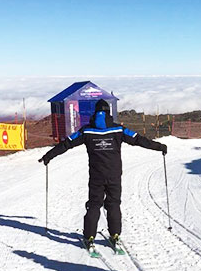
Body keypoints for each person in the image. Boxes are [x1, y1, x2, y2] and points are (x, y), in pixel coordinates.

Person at [39, 99, 167, 252]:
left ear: (95, 113)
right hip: (114, 175)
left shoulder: (86, 131)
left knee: (94, 205)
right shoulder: (118, 130)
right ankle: (115, 235)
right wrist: (160, 147)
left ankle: (89, 237)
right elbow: (139, 140)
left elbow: (66, 144)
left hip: (96, 176)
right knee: (113, 204)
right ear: (108, 112)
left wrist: (48, 156)